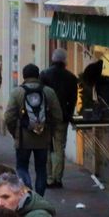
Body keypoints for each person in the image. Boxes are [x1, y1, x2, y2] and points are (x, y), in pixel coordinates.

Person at [3, 63, 63, 198]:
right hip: (43, 138)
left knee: (22, 167)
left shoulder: (17, 92)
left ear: (24, 76)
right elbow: (58, 115)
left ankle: (28, 192)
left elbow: (8, 117)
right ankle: (39, 197)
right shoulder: (48, 92)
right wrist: (49, 130)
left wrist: (15, 132)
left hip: (23, 138)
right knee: (41, 169)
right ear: (38, 75)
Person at [40, 48, 79, 189]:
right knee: (59, 148)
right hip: (62, 117)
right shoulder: (71, 77)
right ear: (64, 61)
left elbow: (40, 96)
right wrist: (68, 114)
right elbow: (73, 99)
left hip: (46, 117)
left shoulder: (44, 75)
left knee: (47, 147)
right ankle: (57, 178)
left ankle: (49, 177)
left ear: (53, 59)